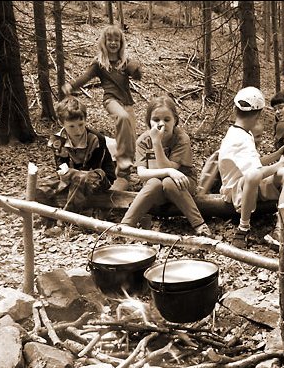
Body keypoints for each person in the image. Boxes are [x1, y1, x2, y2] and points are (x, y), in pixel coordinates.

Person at [62, 24, 141, 189]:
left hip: (127, 102)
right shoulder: (99, 63)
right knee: (122, 117)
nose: (113, 43)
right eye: (109, 40)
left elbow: (138, 77)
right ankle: (123, 164)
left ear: (121, 43)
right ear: (104, 42)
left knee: (130, 137)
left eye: (116, 40)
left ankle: (124, 174)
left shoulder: (124, 62)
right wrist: (71, 85)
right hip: (111, 100)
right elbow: (86, 77)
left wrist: (136, 69)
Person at [120, 95, 211, 236]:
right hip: (155, 188)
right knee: (155, 183)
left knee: (169, 182)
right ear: (149, 121)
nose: (161, 124)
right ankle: (125, 227)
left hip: (182, 185)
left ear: (175, 121)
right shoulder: (143, 141)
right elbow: (142, 174)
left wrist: (156, 143)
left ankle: (199, 224)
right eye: (156, 120)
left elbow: (170, 168)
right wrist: (168, 171)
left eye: (167, 120)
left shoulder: (181, 139)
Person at [218, 86, 284, 248]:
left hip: (248, 185)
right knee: (257, 174)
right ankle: (243, 228)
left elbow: (254, 163)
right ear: (258, 115)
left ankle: (279, 229)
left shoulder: (244, 132)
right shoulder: (238, 138)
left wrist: (276, 155)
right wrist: (280, 164)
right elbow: (255, 173)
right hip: (235, 192)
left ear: (234, 110)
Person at [36, 96, 116, 214]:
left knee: (81, 178)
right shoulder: (58, 140)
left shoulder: (95, 138)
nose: (78, 130)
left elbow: (94, 169)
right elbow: (60, 167)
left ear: (85, 120)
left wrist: (71, 173)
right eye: (71, 126)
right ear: (61, 123)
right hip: (72, 177)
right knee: (40, 186)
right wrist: (64, 169)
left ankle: (67, 217)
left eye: (81, 124)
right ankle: (48, 216)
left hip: (98, 177)